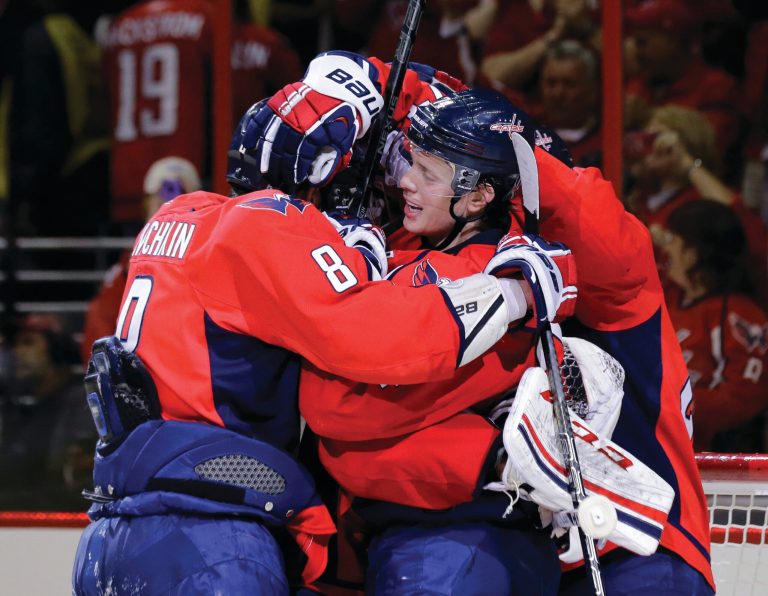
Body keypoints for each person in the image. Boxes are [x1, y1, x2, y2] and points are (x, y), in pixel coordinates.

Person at [71, 53, 575, 594]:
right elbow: (382, 341)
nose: (390, 183)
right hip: (208, 535)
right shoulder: (268, 229)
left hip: (109, 532)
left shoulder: (177, 214)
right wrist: (515, 292)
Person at [247, 51, 713, 594]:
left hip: (638, 551)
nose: (402, 183)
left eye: (428, 169)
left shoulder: (594, 264)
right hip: (550, 546)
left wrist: (382, 85)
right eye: (408, 162)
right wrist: (495, 460)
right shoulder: (461, 263)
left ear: (484, 191)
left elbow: (570, 199)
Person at [661, 200, 768, 452]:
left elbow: (744, 398)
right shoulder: (665, 297)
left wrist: (668, 406)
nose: (666, 248)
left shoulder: (739, 315)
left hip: (710, 460)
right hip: (662, 445)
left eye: (672, 240)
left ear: (694, 253)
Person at [79, 156, 203, 366]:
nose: (170, 206)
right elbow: (100, 327)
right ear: (146, 205)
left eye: (182, 198)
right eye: (161, 199)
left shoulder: (208, 255)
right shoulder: (126, 266)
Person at [0, 314, 96, 511]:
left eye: (28, 343)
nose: (17, 352)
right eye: (15, 345)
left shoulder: (82, 404)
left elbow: (72, 487)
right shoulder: (27, 409)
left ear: (57, 348)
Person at [534, 39, 601, 168]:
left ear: (591, 90)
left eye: (569, 84)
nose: (558, 93)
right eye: (551, 83)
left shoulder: (607, 142)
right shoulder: (525, 132)